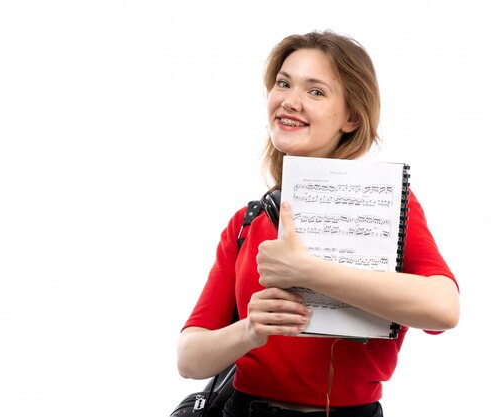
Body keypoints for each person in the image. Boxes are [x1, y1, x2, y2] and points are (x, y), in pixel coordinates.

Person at [177, 30, 460, 417]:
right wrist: (249, 331)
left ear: (352, 117)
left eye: (315, 91)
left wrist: (307, 271)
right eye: (283, 83)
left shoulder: (391, 207)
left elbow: (444, 308)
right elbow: (189, 359)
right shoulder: (247, 223)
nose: (290, 102)